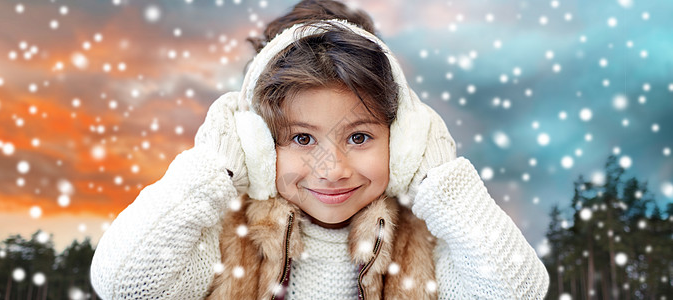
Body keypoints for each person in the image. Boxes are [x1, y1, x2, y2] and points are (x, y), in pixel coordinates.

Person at [90, 0, 550, 299]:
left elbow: (519, 291)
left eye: (359, 137)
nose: (332, 170)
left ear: (405, 138)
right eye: (302, 138)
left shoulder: (428, 241)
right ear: (256, 146)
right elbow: (125, 284)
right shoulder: (223, 238)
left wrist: (441, 180)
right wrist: (210, 167)